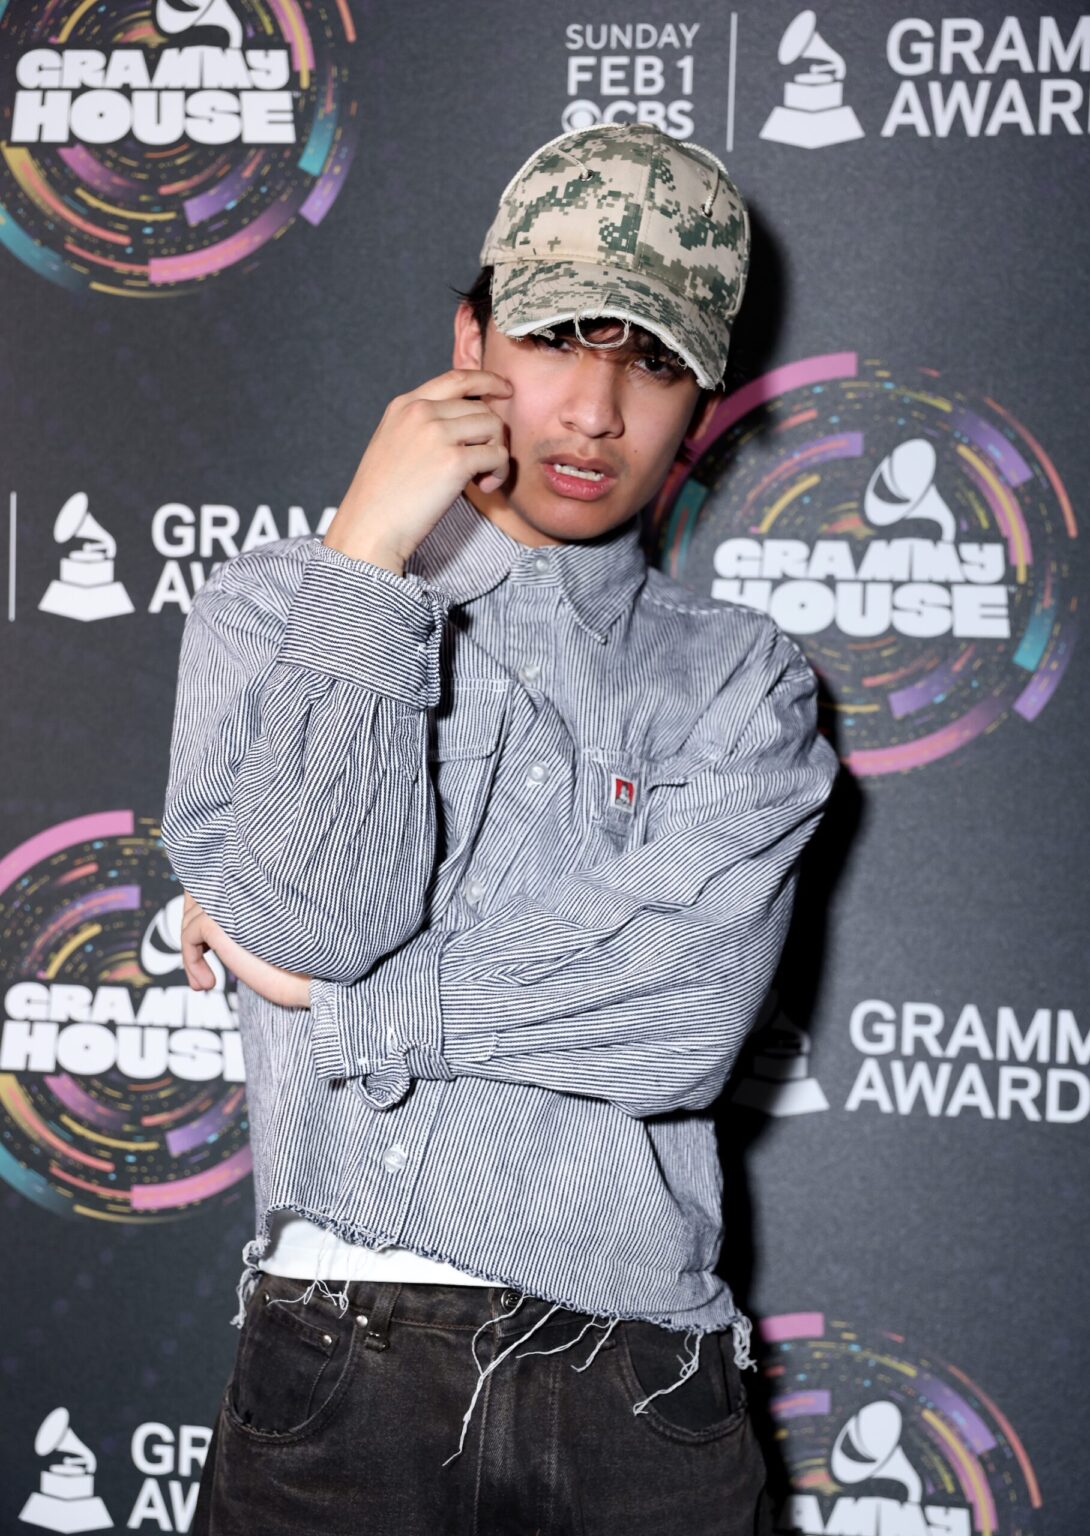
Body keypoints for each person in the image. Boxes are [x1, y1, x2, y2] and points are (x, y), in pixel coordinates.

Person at [163, 121, 840, 1534]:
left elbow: (680, 1018)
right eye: (556, 339)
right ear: (470, 338)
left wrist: (346, 1012)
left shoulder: (742, 679)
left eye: (652, 361)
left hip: (641, 1390)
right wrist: (368, 561)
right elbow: (311, 919)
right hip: (336, 1374)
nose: (594, 411)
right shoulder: (278, 605)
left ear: (705, 405)